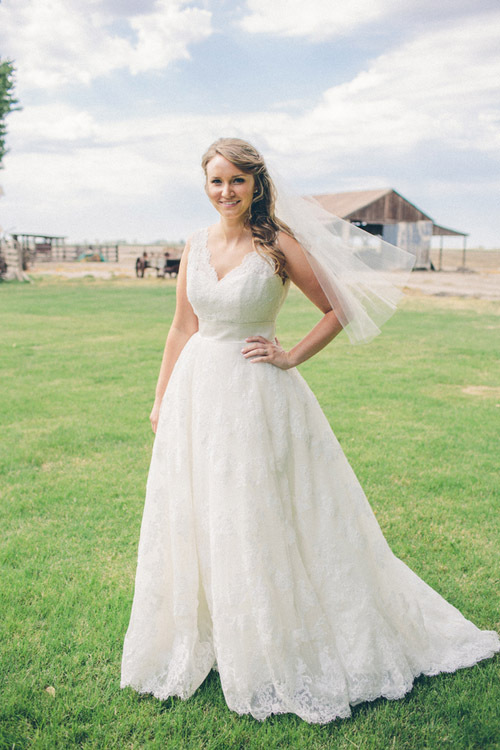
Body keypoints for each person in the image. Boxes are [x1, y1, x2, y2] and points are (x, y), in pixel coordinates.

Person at [121, 138, 499, 723]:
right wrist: (160, 396)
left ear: (256, 185)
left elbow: (339, 306)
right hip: (197, 393)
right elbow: (180, 328)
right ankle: (219, 633)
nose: (226, 192)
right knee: (204, 510)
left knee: (259, 511)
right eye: (217, 181)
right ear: (205, 184)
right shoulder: (194, 246)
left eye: (238, 181)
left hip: (255, 394)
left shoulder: (277, 243)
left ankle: (277, 635)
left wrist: (291, 355)